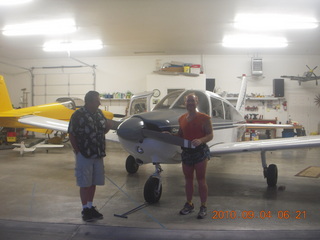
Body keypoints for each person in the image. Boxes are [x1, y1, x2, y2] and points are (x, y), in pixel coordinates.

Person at [68, 91, 112, 222]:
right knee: (85, 183)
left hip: (98, 154)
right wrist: (77, 151)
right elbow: (71, 133)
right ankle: (85, 209)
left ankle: (90, 206)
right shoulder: (78, 115)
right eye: (97, 100)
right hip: (85, 154)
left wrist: (108, 128)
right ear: (89, 101)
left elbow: (102, 131)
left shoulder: (99, 114)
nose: (99, 103)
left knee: (93, 182)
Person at [177, 93, 213, 219]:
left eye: (193, 101)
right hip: (187, 152)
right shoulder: (181, 119)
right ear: (184, 103)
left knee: (201, 180)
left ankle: (203, 206)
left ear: (197, 102)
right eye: (188, 101)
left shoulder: (204, 118)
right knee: (188, 180)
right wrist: (168, 135)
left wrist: (201, 140)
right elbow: (180, 136)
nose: (190, 103)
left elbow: (210, 135)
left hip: (200, 152)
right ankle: (189, 204)